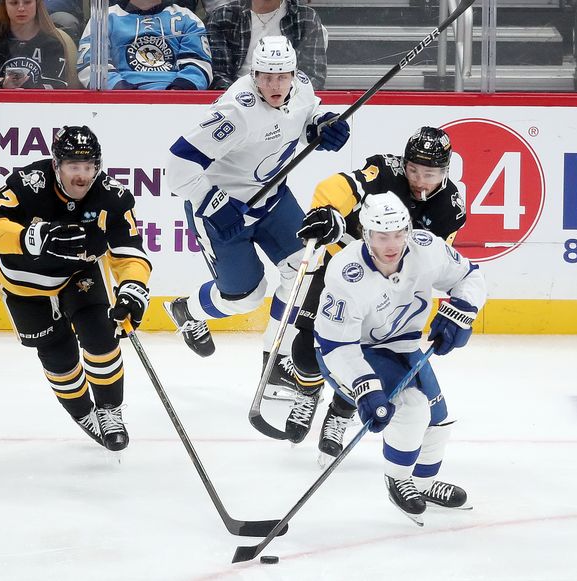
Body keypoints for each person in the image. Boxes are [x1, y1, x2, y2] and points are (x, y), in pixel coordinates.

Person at [163, 36, 349, 392]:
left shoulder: (302, 86)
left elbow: (310, 113)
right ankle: (189, 311)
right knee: (245, 298)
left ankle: (275, 362)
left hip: (273, 200)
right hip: (222, 211)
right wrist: (215, 203)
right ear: (254, 73)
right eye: (266, 76)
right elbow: (178, 166)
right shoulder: (237, 111)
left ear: (294, 73)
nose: (275, 85)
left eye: (282, 76)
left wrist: (324, 124)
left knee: (305, 268)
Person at [0, 126, 152, 452]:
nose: (81, 176)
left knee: (101, 337)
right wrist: (31, 237)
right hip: (24, 283)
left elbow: (129, 250)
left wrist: (133, 289)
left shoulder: (112, 195)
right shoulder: (29, 184)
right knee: (59, 357)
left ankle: (109, 410)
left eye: (88, 167)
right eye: (72, 167)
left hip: (79, 274)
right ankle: (84, 414)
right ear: (56, 165)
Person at [288, 126, 466, 452]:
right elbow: (337, 186)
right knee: (304, 350)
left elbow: (434, 260)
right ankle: (308, 389)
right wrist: (325, 211)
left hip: (392, 286)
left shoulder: (450, 207)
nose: (419, 180)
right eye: (413, 170)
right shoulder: (385, 169)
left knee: (370, 354)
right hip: (341, 267)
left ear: (445, 171)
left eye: (430, 174)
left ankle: (341, 410)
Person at [314, 192, 486, 525]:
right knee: (411, 408)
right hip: (350, 351)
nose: (392, 244)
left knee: (439, 419)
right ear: (366, 234)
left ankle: (423, 484)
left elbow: (470, 276)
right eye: (381, 235)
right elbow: (337, 345)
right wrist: (365, 386)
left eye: (398, 233)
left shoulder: (426, 247)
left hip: (404, 346)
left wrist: (462, 310)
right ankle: (398, 478)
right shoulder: (345, 273)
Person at [77, 0, 212, 90]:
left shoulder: (187, 18)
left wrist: (176, 92)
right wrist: (123, 92)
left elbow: (199, 66)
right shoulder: (104, 17)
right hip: (119, 104)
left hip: (177, 104)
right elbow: (92, 66)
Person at [207, 0, 326, 90]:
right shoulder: (223, 16)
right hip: (237, 101)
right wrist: (244, 99)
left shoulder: (306, 18)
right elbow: (218, 75)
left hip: (290, 103)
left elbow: (313, 77)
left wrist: (283, 97)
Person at [0, 0, 78, 89]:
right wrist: (2, 84)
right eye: (14, 2)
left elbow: (57, 84)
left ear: (37, 4)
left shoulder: (52, 44)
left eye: (27, 2)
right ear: (4, 6)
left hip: (40, 107)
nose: (21, 8)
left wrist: (25, 87)